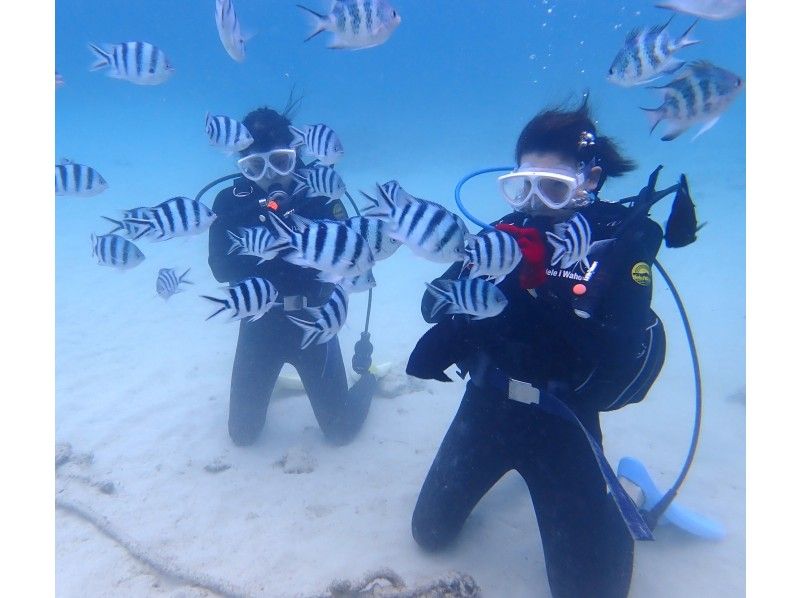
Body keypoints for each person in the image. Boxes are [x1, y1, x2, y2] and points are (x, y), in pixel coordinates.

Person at [406, 98, 667, 598]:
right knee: (429, 535)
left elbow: (620, 354)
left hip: (564, 421)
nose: (533, 203)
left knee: (591, 592)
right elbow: (432, 304)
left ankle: (611, 502)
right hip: (487, 406)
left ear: (589, 181)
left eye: (552, 188)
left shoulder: (617, 248)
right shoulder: (504, 237)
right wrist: (465, 308)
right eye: (522, 185)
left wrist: (538, 290)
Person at [207, 105, 376, 447]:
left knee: (340, 432)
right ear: (242, 166)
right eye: (255, 166)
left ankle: (369, 381)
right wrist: (261, 234)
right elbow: (219, 269)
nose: (270, 175)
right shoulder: (228, 202)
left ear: (297, 154)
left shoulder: (324, 196)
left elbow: (350, 262)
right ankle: (278, 382)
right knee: (242, 435)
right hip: (259, 324)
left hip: (315, 320)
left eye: (281, 161)